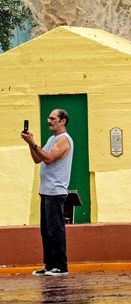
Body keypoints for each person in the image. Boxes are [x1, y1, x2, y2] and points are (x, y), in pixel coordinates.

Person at [21, 109, 74, 277]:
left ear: (62, 121)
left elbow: (49, 158)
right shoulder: (52, 139)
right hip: (46, 190)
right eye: (49, 117)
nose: (48, 120)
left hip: (56, 191)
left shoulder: (64, 140)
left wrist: (34, 143)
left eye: (53, 118)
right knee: (46, 231)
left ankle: (61, 266)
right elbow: (38, 158)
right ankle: (50, 265)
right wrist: (31, 144)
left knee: (56, 229)